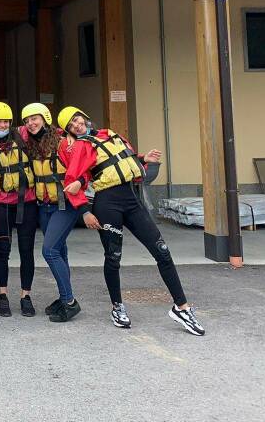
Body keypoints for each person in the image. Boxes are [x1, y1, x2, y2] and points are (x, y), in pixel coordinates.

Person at [57, 106, 206, 336]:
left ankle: (182, 308)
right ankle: (117, 307)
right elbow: (73, 179)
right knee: (113, 257)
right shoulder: (80, 146)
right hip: (107, 204)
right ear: (70, 132)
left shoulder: (111, 135)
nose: (77, 125)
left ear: (85, 117)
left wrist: (143, 159)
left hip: (131, 199)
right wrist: (85, 210)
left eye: (78, 120)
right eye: (71, 126)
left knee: (162, 251)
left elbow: (124, 160)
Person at [20, 103, 91, 323]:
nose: (31, 123)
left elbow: (83, 170)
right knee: (60, 251)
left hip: (64, 204)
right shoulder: (29, 142)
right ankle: (64, 297)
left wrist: (81, 190)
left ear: (45, 118)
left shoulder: (62, 142)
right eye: (27, 120)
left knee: (49, 251)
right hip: (44, 205)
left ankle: (69, 302)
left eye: (35, 118)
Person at [0, 101, 38, 318]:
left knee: (26, 250)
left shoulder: (22, 136)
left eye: (5, 121)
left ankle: (26, 296)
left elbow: (40, 127)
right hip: (1, 204)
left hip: (27, 202)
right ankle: (3, 295)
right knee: (2, 251)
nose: (2, 125)